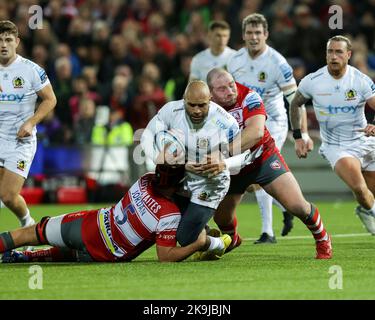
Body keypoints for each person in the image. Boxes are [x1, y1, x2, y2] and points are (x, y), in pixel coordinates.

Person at [203, 67, 332, 259]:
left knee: (297, 206)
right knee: (221, 218)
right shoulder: (203, 107)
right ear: (210, 93)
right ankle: (232, 239)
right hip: (232, 168)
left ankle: (322, 238)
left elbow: (255, 133)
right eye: (222, 89)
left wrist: (223, 153)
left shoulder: (249, 96)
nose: (230, 91)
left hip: (262, 158)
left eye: (231, 85)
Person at [1, 165, 231, 263]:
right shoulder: (169, 215)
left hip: (88, 225)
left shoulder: (145, 179)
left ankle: (19, 253)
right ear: (177, 185)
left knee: (28, 234)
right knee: (70, 255)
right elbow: (166, 256)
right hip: (108, 253)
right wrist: (198, 243)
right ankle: (24, 258)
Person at [226, 13, 313, 243]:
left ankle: (268, 232)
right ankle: (284, 206)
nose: (253, 37)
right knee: (253, 181)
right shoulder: (235, 61)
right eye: (249, 33)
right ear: (243, 35)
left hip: (273, 121)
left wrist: (301, 133)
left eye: (258, 33)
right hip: (246, 122)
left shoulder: (278, 63)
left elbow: (296, 100)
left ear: (266, 35)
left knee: (257, 171)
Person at [141, 80, 245, 252]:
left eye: (202, 105)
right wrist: (162, 159)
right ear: (184, 100)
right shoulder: (171, 111)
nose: (197, 110)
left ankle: (222, 242)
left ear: (210, 100)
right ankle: (206, 232)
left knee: (185, 238)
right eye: (192, 105)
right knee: (166, 219)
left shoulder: (226, 122)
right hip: (182, 178)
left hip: (211, 183)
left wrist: (224, 163)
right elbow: (146, 137)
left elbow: (244, 156)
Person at [290, 35, 375, 235]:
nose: (333, 56)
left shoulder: (360, 80)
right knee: (360, 187)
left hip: (364, 140)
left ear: (348, 54)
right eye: (330, 51)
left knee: (368, 194)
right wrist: (299, 136)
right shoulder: (313, 80)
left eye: (338, 52)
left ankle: (365, 210)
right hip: (336, 145)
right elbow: (295, 104)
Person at [0, 21, 57, 238]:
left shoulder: (31, 70)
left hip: (19, 141)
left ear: (17, 42)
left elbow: (50, 99)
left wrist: (31, 122)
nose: (3, 45)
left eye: (7, 40)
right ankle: (27, 224)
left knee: (7, 196)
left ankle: (27, 223)